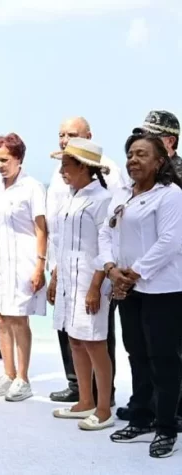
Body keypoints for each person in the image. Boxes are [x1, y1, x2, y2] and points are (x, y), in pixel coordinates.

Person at [101, 132, 182, 458]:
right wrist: (110, 268)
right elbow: (106, 231)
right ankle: (142, 417)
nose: (133, 160)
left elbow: (170, 242)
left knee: (163, 359)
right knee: (137, 354)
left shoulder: (171, 195)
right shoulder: (123, 193)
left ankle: (166, 427)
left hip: (162, 289)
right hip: (128, 289)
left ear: (159, 161)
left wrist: (131, 274)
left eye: (142, 155)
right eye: (130, 154)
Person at [46, 116, 126, 406]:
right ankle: (84, 401)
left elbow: (106, 248)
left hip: (90, 284)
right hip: (68, 281)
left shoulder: (103, 199)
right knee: (75, 341)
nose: (61, 171)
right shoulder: (70, 197)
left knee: (96, 344)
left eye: (66, 165)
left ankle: (103, 406)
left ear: (82, 166)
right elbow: (61, 242)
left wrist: (95, 287)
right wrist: (55, 277)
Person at [125, 110, 182, 428]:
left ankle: (169, 414)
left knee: (168, 351)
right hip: (143, 280)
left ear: (168, 142)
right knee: (143, 349)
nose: (137, 149)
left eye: (149, 138)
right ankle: (144, 408)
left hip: (171, 278)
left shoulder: (176, 180)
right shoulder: (139, 180)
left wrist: (135, 270)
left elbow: (172, 237)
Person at [0, 132, 47, 402]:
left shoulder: (32, 187)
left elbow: (41, 228)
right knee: (0, 316)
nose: (0, 165)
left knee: (19, 318)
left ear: (19, 158)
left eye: (5, 160)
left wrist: (40, 265)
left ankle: (23, 378)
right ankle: (7, 374)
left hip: (23, 261)